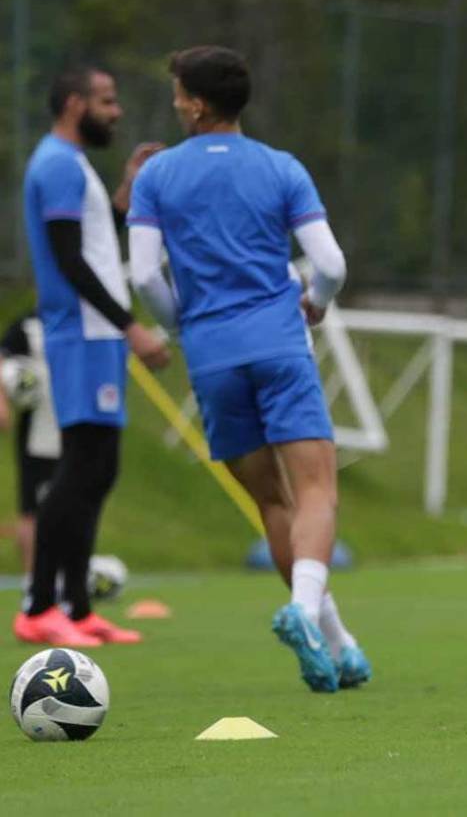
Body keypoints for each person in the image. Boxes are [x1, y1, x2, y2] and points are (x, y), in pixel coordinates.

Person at [128, 45, 368, 693]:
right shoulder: (281, 168)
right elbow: (333, 264)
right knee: (317, 492)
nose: (175, 103)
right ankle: (301, 612)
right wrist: (315, 302)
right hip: (280, 345)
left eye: (179, 93)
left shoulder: (156, 176)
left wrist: (183, 326)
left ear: (198, 103)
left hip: (211, 357)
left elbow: (144, 273)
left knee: (271, 500)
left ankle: (338, 641)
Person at [14, 65, 170, 648]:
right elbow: (69, 260)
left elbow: (95, 242)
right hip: (81, 332)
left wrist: (124, 193)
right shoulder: (55, 163)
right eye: (107, 101)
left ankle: (78, 609)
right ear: (75, 102)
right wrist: (131, 326)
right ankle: (37, 606)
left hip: (96, 334)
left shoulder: (72, 164)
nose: (117, 111)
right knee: (78, 469)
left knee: (100, 469)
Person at [0, 313, 60, 601]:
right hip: (37, 434)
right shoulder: (26, 326)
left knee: (69, 506)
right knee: (31, 510)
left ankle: (62, 578)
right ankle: (31, 584)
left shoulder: (77, 319)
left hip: (74, 429)